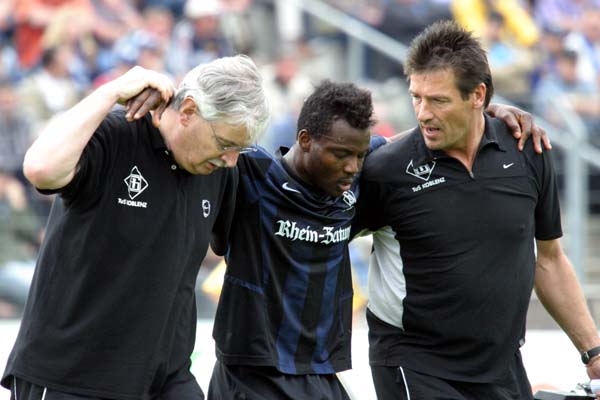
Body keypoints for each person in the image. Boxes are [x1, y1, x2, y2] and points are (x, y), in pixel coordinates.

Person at [126, 75, 550, 399]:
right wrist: (158, 106)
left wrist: (487, 113)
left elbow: (416, 140)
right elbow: (196, 141)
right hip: (252, 372)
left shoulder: (360, 176)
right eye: (341, 155)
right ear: (305, 140)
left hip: (322, 372)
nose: (351, 167)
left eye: (359, 156)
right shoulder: (249, 174)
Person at [352, 20, 600, 400]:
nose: (422, 113)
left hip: (501, 365)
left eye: (438, 100)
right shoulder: (387, 169)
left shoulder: (527, 150)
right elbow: (326, 236)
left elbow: (550, 260)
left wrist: (593, 352)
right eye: (416, 97)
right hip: (415, 364)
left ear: (478, 95)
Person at [1, 54, 270, 400]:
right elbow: (40, 168)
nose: (231, 160)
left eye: (239, 150)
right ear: (188, 112)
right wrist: (111, 91)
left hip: (165, 380)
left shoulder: (218, 169)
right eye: (225, 144)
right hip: (71, 377)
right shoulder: (118, 134)